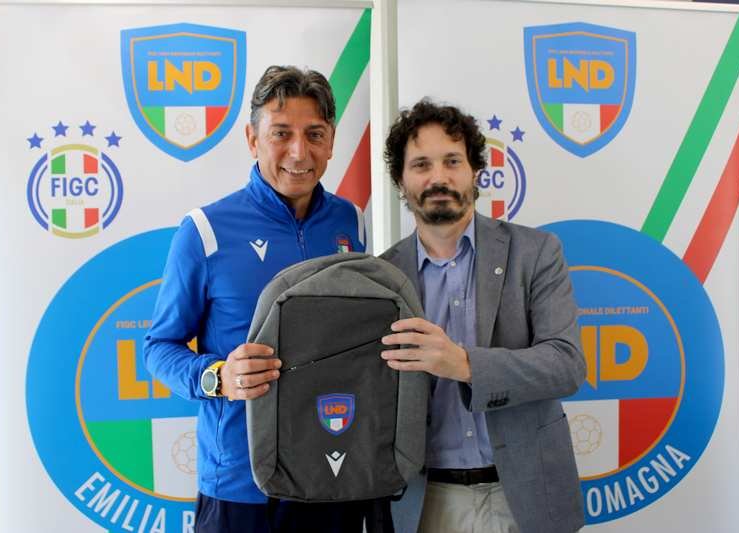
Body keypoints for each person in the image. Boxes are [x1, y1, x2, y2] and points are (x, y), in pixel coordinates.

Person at [144, 65, 375, 533]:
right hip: (241, 485)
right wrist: (218, 376)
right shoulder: (204, 231)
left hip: (334, 473)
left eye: (314, 134)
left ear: (331, 141)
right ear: (252, 139)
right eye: (281, 133)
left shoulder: (352, 223)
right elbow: (158, 349)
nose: (299, 152)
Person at [379, 99, 586, 533]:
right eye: (421, 165)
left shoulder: (536, 253)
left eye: (452, 161)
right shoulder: (381, 277)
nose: (438, 177)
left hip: (527, 497)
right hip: (423, 503)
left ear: (475, 170)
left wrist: (464, 365)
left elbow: (566, 366)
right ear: (401, 180)